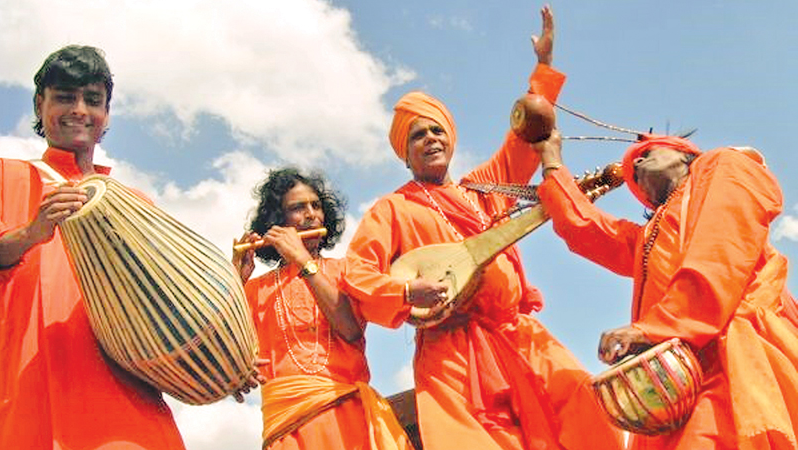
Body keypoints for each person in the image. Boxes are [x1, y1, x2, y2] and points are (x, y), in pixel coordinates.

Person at [341, 6, 623, 450]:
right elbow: (356, 274)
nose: (430, 139)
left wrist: (543, 69)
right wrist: (404, 294)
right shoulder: (391, 209)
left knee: (581, 408)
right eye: (418, 136)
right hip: (449, 349)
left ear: (450, 139)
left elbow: (525, 137)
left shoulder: (485, 187)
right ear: (405, 153)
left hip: (517, 334)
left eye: (437, 131)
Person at [535, 131, 798, 449]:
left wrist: (653, 328)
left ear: (685, 155)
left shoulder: (724, 164)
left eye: (647, 152)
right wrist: (550, 157)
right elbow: (587, 228)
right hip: (674, 381)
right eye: (633, 169)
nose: (638, 164)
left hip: (732, 357)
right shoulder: (650, 235)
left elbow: (723, 249)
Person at [0, 46, 186, 449]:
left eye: (93, 100)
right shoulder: (5, 175)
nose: (79, 110)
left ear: (107, 114)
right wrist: (33, 231)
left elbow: (166, 305)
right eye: (64, 97)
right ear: (39, 104)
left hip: (124, 397)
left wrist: (227, 360)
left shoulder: (135, 202)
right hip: (27, 390)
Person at [233, 167, 413, 450]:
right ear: (278, 221)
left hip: (348, 419)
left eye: (316, 206)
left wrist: (302, 260)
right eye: (297, 208)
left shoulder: (347, 272)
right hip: (288, 428)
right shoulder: (255, 289)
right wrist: (236, 279)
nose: (311, 215)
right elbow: (224, 350)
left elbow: (350, 330)